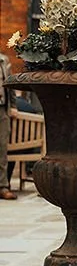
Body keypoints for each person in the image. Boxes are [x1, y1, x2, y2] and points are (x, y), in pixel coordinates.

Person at [0, 52, 17, 200]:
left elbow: (10, 85)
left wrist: (14, 107)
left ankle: (3, 186)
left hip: (2, 109)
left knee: (2, 148)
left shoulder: (4, 60)